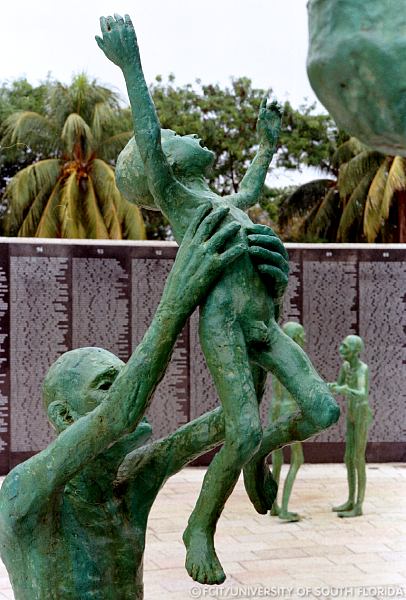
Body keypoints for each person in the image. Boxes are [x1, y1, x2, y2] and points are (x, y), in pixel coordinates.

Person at [96, 14, 339, 585]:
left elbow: (252, 188)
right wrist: (131, 66)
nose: (194, 138)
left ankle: (254, 456)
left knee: (322, 410)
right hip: (226, 326)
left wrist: (266, 145)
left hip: (263, 322)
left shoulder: (222, 200)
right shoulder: (180, 200)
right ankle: (199, 526)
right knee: (245, 426)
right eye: (184, 138)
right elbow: (151, 142)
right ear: (169, 167)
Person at [0, 207, 288, 599]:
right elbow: (120, 415)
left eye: (125, 381)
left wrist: (261, 306)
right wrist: (176, 301)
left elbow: (236, 415)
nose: (134, 393)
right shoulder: (26, 493)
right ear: (65, 416)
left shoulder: (133, 482)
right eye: (107, 385)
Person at [328, 335, 372, 518]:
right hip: (352, 414)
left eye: (345, 347)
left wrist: (346, 390)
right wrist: (328, 387)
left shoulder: (362, 369)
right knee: (348, 458)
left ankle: (359, 504)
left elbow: (362, 393)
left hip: (362, 413)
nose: (340, 349)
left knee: (358, 459)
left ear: (355, 350)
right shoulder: (346, 366)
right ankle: (350, 500)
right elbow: (338, 385)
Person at [269, 322, 305, 522]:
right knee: (297, 459)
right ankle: (285, 509)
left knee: (277, 460)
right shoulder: (296, 358)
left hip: (275, 410)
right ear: (296, 337)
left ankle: (274, 506)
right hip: (290, 410)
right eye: (302, 336)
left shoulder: (276, 356)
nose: (305, 340)